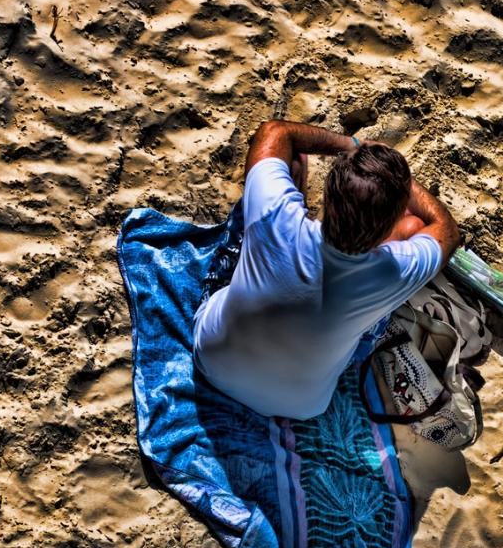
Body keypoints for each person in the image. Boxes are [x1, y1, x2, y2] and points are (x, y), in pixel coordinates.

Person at [192, 119, 461, 420]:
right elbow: (447, 229)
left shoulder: (276, 217)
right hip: (300, 406)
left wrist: (356, 146)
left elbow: (276, 132)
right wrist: (396, 182)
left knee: (292, 159)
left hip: (212, 363)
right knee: (414, 226)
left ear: (329, 196)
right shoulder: (394, 274)